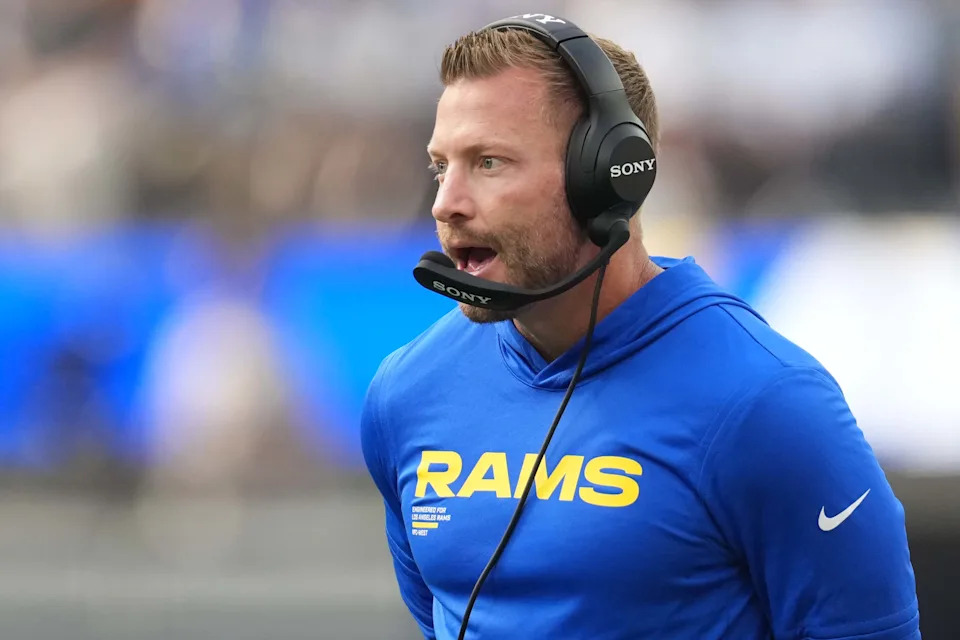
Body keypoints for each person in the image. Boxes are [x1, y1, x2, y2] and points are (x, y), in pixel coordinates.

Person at [360, 13, 920, 640]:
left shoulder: (769, 404)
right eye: (442, 167)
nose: (445, 203)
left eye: (489, 162)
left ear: (606, 176)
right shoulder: (406, 392)